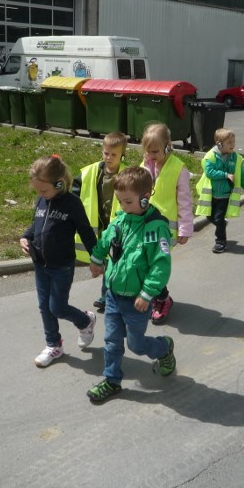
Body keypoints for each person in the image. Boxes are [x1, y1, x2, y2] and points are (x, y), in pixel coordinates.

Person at [86, 166, 176, 402]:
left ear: (145, 198)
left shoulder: (155, 228)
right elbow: (106, 240)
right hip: (114, 296)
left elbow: (160, 265)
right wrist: (96, 260)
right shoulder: (121, 221)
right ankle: (112, 380)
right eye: (120, 201)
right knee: (112, 341)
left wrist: (147, 294)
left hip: (138, 301)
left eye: (128, 201)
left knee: (136, 345)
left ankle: (164, 348)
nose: (123, 207)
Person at [20, 155, 98, 367]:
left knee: (58, 307)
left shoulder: (72, 204)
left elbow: (86, 232)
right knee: (44, 307)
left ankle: (85, 321)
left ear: (59, 183)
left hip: (62, 266)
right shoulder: (41, 199)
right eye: (37, 191)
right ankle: (53, 345)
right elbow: (35, 225)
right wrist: (25, 237)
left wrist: (96, 259)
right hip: (40, 264)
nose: (41, 195)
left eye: (44, 191)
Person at [139, 123, 193, 323]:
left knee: (156, 265)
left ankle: (162, 298)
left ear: (168, 145)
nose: (151, 155)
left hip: (164, 229)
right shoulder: (146, 164)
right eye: (147, 151)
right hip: (144, 224)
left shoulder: (178, 168)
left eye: (155, 151)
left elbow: (185, 201)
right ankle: (157, 295)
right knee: (144, 263)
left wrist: (185, 228)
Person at [72, 131, 128, 312]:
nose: (109, 157)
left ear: (122, 154)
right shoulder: (91, 172)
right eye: (106, 153)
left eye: (114, 154)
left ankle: (110, 295)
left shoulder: (127, 173)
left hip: (119, 228)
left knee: (115, 262)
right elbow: (75, 192)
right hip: (100, 228)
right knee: (107, 262)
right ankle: (107, 295)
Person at [195, 128, 244, 253]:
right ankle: (221, 225)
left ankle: (220, 241)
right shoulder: (210, 156)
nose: (233, 145)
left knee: (219, 218)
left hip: (225, 195)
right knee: (210, 216)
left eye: (233, 142)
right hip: (210, 195)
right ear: (219, 144)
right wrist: (225, 175)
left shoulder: (235, 158)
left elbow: (241, 175)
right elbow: (209, 172)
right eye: (229, 142)